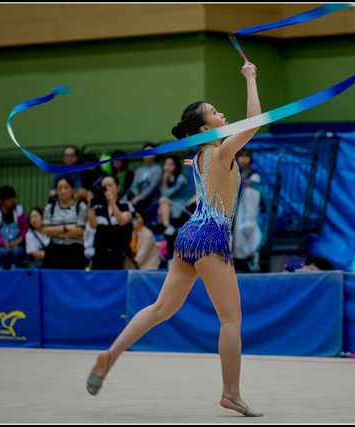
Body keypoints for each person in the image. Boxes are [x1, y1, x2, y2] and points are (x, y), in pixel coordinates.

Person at [86, 61, 263, 417]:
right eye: (215, 112)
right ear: (205, 127)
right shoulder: (221, 151)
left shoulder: (198, 156)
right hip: (210, 238)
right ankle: (231, 393)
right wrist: (250, 79)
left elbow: (208, 174)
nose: (222, 114)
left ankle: (111, 354)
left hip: (188, 236)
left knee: (160, 309)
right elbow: (256, 122)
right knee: (231, 320)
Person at [86, 175, 135, 270]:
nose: (106, 188)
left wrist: (112, 202)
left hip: (120, 255)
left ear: (118, 188)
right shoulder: (98, 207)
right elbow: (92, 225)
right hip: (100, 255)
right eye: (104, 186)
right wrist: (90, 205)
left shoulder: (125, 205)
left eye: (110, 185)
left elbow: (122, 222)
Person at [41, 175, 88, 269]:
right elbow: (45, 230)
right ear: (56, 190)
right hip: (54, 251)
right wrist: (66, 228)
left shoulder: (81, 206)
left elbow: (79, 230)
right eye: (59, 188)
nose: (62, 191)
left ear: (72, 189)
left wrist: (56, 233)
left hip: (74, 252)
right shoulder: (50, 207)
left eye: (66, 187)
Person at [0, 186, 28, 270]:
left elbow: (25, 228)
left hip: (17, 242)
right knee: (2, 252)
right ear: (3, 200)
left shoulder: (19, 209)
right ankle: (0, 270)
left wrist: (19, 240)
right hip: (1, 244)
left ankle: (15, 269)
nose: (13, 201)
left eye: (13, 198)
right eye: (10, 199)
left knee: (17, 252)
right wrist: (4, 243)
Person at [157, 155, 194, 236]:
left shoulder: (181, 179)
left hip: (184, 203)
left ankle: (167, 228)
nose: (168, 167)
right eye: (166, 164)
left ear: (176, 166)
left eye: (171, 164)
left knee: (163, 200)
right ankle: (167, 229)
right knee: (161, 208)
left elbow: (165, 194)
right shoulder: (168, 177)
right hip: (173, 202)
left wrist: (164, 181)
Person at [125, 142, 163, 220]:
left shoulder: (158, 169)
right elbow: (134, 184)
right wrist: (134, 193)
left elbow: (152, 187)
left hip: (151, 199)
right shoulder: (139, 170)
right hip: (138, 197)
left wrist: (139, 198)